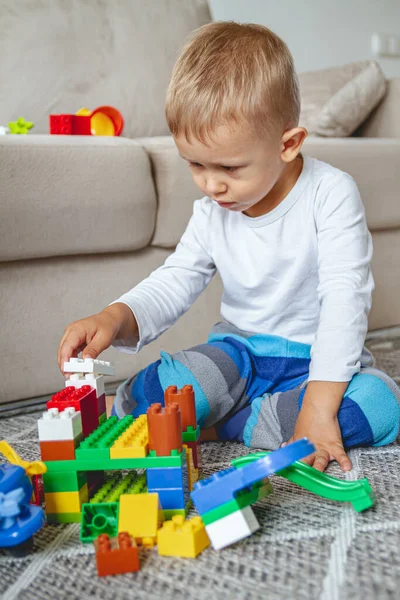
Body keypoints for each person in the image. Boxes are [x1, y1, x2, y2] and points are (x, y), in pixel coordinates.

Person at [57, 22, 400, 472]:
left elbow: (345, 295)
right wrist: (114, 317)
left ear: (288, 145)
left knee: (381, 404)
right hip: (238, 357)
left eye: (231, 168)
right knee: (160, 392)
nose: (212, 184)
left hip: (317, 363)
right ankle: (264, 419)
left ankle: (236, 423)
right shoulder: (211, 211)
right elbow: (175, 280)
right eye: (195, 164)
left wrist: (319, 402)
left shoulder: (330, 193)